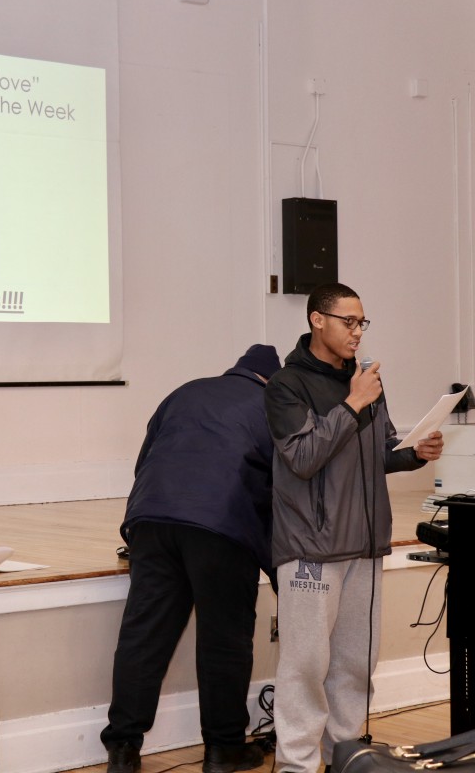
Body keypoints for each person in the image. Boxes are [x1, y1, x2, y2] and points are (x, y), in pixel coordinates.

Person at [264, 283, 444, 773]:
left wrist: (412, 453)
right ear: (316, 320)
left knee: (355, 664)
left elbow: (377, 451)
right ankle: (297, 766)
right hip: (311, 547)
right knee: (305, 667)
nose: (357, 332)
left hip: (364, 543)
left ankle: (347, 757)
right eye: (349, 321)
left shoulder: (365, 381)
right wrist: (351, 405)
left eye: (363, 322)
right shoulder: (286, 386)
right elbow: (302, 457)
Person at [101, 345, 281, 773]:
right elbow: (283, 491)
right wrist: (280, 569)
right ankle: (223, 751)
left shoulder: (185, 392)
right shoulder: (274, 405)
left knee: (144, 637)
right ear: (270, 381)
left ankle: (123, 750)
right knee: (225, 641)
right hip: (221, 527)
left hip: (151, 519)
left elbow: (146, 460)